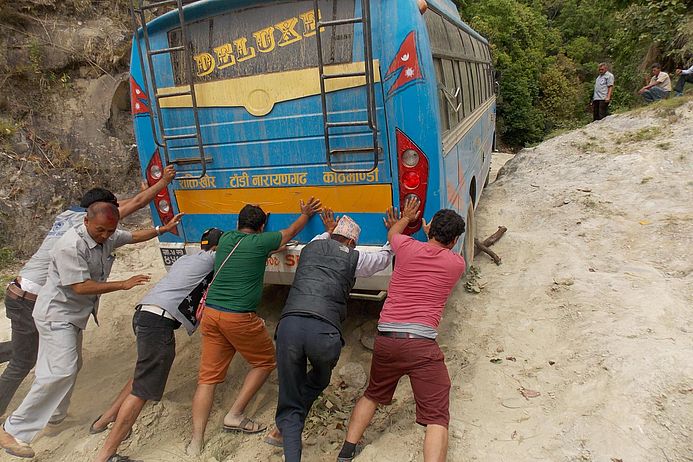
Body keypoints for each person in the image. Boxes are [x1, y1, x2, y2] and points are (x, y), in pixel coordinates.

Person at [0, 202, 183, 459]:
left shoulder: (106, 233)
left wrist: (162, 229)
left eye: (110, 231)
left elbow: (131, 237)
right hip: (56, 314)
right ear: (86, 222)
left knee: (67, 367)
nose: (106, 236)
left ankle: (55, 417)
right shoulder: (69, 245)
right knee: (61, 369)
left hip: (72, 316)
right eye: (101, 231)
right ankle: (13, 429)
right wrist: (123, 284)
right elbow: (80, 287)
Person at [186, 198, 322, 456]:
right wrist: (305, 214)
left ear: (238, 224)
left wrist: (258, 220)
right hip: (238, 317)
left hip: (212, 315)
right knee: (263, 363)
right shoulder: (262, 242)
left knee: (207, 379)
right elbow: (290, 233)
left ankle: (196, 441)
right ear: (261, 228)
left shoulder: (226, 239)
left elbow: (254, 237)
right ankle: (235, 415)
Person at [337, 200, 467, 462]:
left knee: (373, 393)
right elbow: (436, 250)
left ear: (429, 232)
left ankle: (346, 453)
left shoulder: (406, 247)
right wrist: (432, 235)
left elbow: (393, 234)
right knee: (437, 417)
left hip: (386, 339)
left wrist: (407, 218)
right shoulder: (456, 264)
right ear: (453, 241)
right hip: (421, 345)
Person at [265, 208, 396, 462]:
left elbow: (322, 240)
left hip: (290, 327)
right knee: (320, 378)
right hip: (324, 333)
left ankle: (287, 429)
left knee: (289, 402)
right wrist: (392, 235)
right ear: (350, 242)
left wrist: (328, 228)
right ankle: (286, 425)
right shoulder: (354, 257)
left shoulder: (310, 248)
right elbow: (383, 258)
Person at [92, 228, 223, 462]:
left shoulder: (187, 258)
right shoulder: (211, 259)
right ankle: (106, 455)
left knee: (143, 372)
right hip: (159, 323)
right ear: (216, 247)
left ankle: (104, 420)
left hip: (143, 314)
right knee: (142, 391)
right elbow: (235, 252)